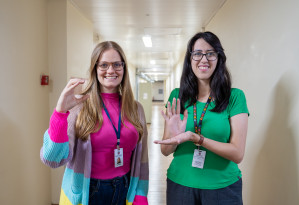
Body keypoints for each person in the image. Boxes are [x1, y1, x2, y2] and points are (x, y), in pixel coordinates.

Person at [40, 41, 149, 205]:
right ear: (95, 69)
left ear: (124, 68)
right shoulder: (79, 107)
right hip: (87, 192)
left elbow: (142, 159)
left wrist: (140, 194)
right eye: (104, 65)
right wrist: (60, 113)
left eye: (116, 64)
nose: (111, 70)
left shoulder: (136, 109)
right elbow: (52, 159)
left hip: (124, 189)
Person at [154, 31, 249, 205]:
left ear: (219, 58)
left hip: (223, 188)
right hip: (180, 185)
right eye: (197, 53)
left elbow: (237, 154)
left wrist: (197, 138)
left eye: (210, 54)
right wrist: (173, 138)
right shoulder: (177, 96)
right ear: (190, 60)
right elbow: (165, 151)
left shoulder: (235, 97)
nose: (203, 59)